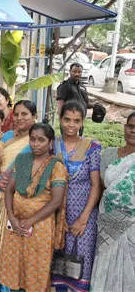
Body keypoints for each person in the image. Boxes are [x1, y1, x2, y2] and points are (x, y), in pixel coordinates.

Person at [0, 123, 67, 292]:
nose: (36, 143)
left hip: (40, 226)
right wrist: (11, 216)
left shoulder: (56, 166)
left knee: (36, 269)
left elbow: (56, 201)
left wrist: (30, 221)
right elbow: (10, 189)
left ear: (50, 143)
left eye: (41, 140)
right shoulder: (22, 160)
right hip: (15, 223)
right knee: (14, 266)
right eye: (33, 139)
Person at [51, 101, 102, 292]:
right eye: (67, 119)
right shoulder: (52, 145)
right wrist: (58, 217)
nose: (71, 125)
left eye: (76, 121)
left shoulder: (92, 147)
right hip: (57, 214)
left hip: (84, 214)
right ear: (60, 120)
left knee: (82, 261)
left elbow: (96, 185)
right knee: (58, 261)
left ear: (82, 123)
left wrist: (83, 219)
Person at [0, 100, 36, 289]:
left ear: (34, 116)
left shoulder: (38, 136)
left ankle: (20, 282)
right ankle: (2, 282)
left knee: (23, 239)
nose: (19, 118)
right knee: (5, 238)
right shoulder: (7, 136)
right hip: (3, 193)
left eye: (25, 114)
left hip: (25, 197)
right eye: (16, 114)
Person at [91, 112, 135, 292]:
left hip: (132, 227)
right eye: (130, 126)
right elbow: (100, 188)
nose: (133, 131)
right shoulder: (109, 154)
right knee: (104, 269)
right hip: (106, 223)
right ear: (124, 127)